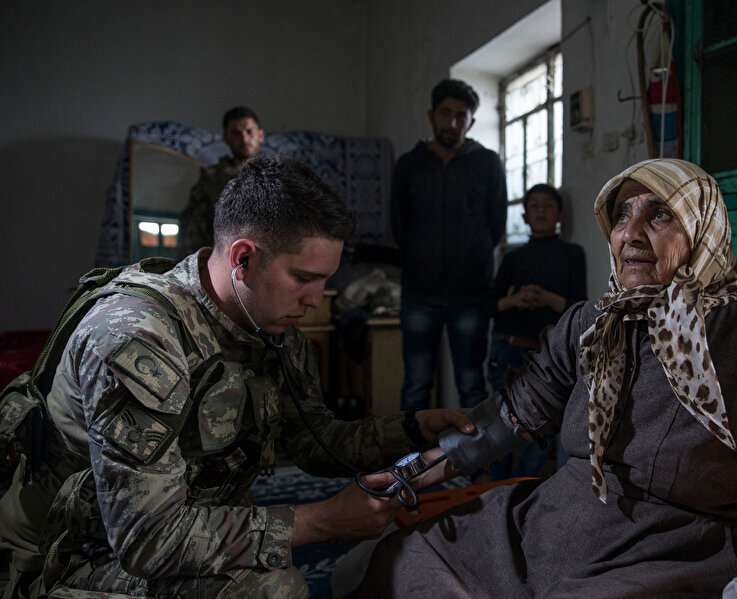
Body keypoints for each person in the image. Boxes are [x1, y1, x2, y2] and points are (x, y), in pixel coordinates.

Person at [361, 158, 737, 597]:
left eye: (660, 214)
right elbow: (513, 414)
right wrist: (420, 468)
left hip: (672, 552)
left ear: (702, 229)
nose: (632, 234)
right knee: (407, 557)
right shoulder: (590, 325)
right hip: (556, 523)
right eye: (622, 216)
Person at [0, 153, 473, 599]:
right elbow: (147, 538)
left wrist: (412, 430)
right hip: (72, 554)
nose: (317, 298)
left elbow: (316, 440)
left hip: (169, 528)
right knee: (270, 589)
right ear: (243, 258)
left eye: (325, 279)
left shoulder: (272, 330)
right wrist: (327, 519)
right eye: (305, 277)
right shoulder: (139, 337)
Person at [391, 79, 507, 412]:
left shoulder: (488, 163)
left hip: (471, 294)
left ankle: (472, 463)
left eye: (461, 115)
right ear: (431, 116)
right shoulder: (408, 165)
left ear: (471, 121)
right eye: (446, 113)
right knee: (416, 385)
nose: (452, 122)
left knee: (472, 385)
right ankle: (413, 463)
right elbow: (398, 226)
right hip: (418, 293)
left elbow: (496, 224)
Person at [486, 183, 586, 480]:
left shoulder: (572, 254)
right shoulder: (513, 257)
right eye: (534, 206)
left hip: (548, 356)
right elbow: (489, 305)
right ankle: (496, 488)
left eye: (548, 206)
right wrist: (515, 300)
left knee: (543, 426)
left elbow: (580, 307)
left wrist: (548, 299)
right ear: (525, 215)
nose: (540, 211)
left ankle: (523, 487)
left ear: (560, 215)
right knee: (499, 423)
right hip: (507, 348)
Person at [179, 106, 266, 257]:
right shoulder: (212, 177)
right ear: (226, 138)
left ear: (260, 134)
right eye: (236, 133)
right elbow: (194, 224)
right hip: (223, 257)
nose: (244, 138)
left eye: (249, 131)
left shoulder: (278, 174)